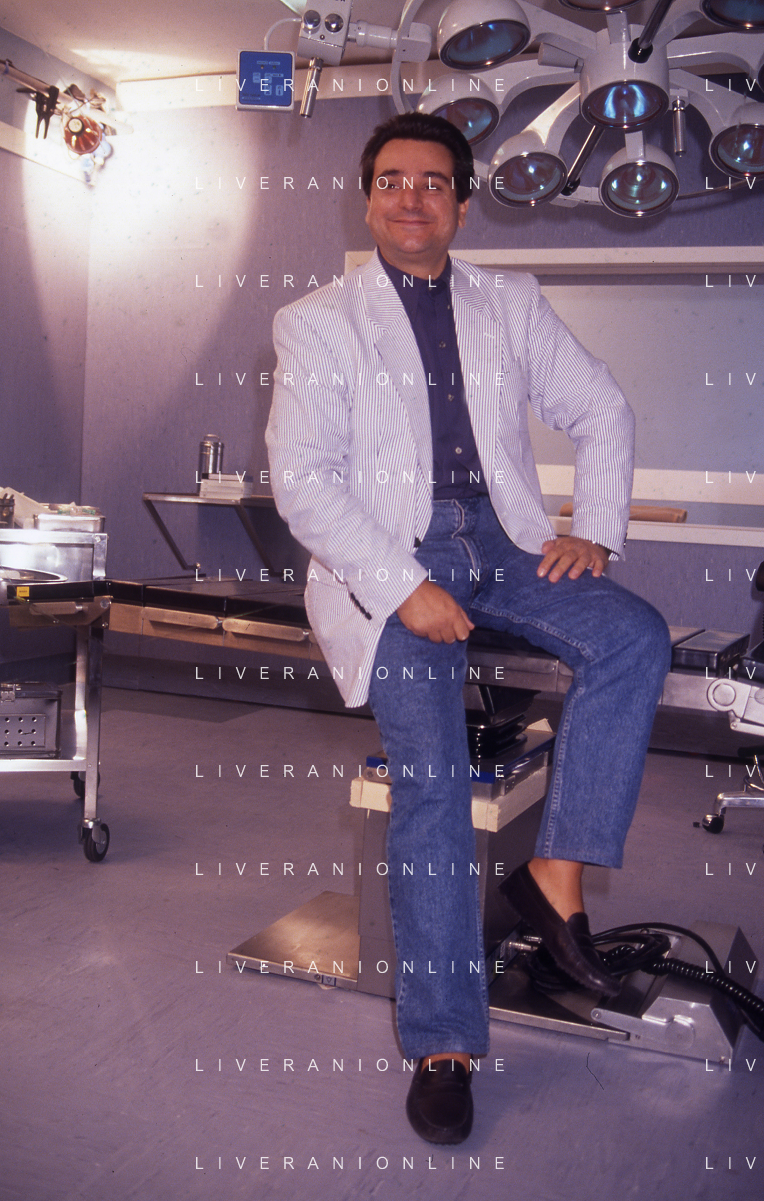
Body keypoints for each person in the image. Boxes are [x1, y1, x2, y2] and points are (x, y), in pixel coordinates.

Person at [266, 112, 670, 1145]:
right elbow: (302, 480)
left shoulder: (510, 302)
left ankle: (553, 876)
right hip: (391, 550)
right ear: (367, 198)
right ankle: (444, 1043)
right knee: (434, 778)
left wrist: (597, 529)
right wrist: (403, 586)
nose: (413, 198)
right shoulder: (318, 321)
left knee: (633, 636)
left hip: (505, 538)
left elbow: (604, 408)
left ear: (461, 200)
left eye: (435, 181)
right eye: (393, 180)